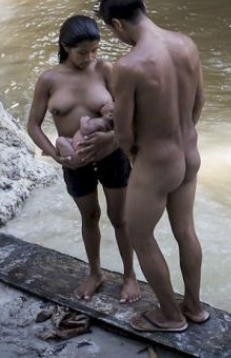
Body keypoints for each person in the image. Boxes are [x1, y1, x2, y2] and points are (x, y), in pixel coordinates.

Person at [98, 0, 207, 333]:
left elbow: (125, 131)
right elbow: (199, 103)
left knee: (139, 235)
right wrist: (181, 134)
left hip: (158, 161)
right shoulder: (186, 44)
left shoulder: (128, 66)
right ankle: (193, 307)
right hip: (189, 151)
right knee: (185, 230)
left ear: (117, 24)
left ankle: (171, 317)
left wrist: (134, 155)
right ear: (141, 8)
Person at [27, 15, 141, 303]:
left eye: (95, 50)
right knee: (89, 216)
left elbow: (130, 118)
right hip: (75, 162)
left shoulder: (105, 70)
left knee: (121, 219)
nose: (89, 57)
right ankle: (95, 273)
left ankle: (129, 276)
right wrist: (55, 155)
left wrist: (112, 139)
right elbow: (34, 125)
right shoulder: (49, 79)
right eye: (82, 52)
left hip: (112, 156)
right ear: (65, 47)